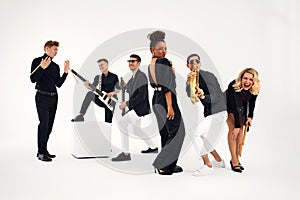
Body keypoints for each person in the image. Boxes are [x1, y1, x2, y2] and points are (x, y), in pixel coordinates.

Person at [148, 30, 185, 175]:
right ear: (152, 49)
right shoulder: (163, 61)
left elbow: (157, 82)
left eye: (165, 48)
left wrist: (172, 71)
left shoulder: (151, 63)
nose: (163, 51)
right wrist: (170, 106)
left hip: (156, 99)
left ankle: (168, 164)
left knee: (165, 133)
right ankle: (162, 164)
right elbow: (167, 85)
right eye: (160, 49)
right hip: (165, 99)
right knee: (178, 132)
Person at [185, 54, 227, 176]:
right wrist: (188, 82)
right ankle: (219, 161)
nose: (194, 64)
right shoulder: (193, 78)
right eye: (191, 62)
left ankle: (207, 165)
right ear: (187, 65)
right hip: (211, 113)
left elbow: (218, 96)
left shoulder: (208, 76)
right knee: (202, 136)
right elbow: (190, 95)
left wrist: (204, 96)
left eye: (196, 61)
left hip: (219, 111)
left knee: (194, 133)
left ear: (200, 63)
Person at [111, 54, 158, 161]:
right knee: (136, 130)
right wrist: (125, 85)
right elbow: (130, 88)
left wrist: (126, 104)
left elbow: (141, 95)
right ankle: (153, 147)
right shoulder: (134, 76)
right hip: (136, 107)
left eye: (133, 61)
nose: (131, 63)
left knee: (122, 123)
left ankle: (126, 154)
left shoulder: (141, 76)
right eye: (129, 61)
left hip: (139, 109)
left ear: (138, 63)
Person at [30, 40, 70, 162]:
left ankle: (43, 149)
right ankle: (41, 152)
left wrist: (65, 72)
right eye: (54, 49)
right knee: (44, 123)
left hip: (54, 98)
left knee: (49, 126)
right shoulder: (37, 61)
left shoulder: (55, 66)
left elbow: (58, 84)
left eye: (57, 50)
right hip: (42, 97)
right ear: (47, 48)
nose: (56, 52)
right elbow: (32, 79)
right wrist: (41, 68)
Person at [226, 68, 261, 172]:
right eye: (245, 78)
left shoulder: (255, 88)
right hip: (226, 107)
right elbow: (234, 105)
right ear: (241, 78)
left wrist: (250, 117)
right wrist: (237, 126)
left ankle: (235, 158)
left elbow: (252, 103)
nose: (247, 81)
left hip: (240, 108)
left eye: (251, 79)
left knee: (240, 133)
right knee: (234, 131)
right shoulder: (234, 85)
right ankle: (234, 160)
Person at [71, 59, 119, 123]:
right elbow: (92, 88)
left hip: (111, 101)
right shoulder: (98, 77)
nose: (100, 67)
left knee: (108, 122)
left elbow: (118, 89)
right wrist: (87, 85)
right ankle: (81, 116)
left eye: (102, 65)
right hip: (101, 99)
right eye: (99, 66)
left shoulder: (114, 76)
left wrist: (112, 93)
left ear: (107, 65)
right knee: (90, 94)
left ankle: (108, 124)